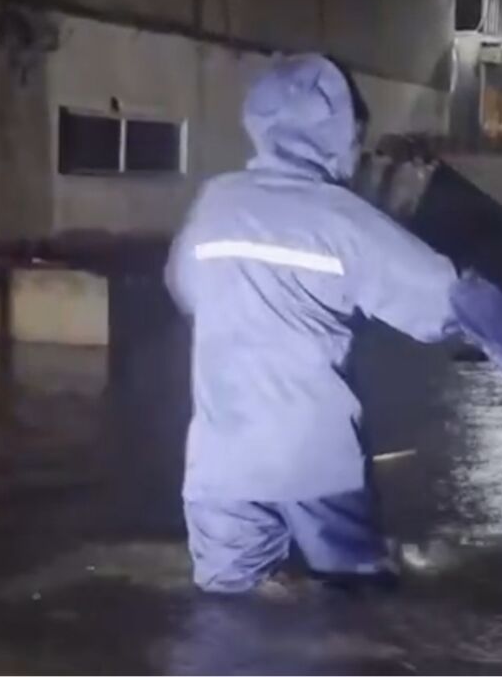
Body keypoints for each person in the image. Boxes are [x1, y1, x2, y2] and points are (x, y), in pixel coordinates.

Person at [165, 54, 462, 594]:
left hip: (219, 467)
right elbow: (443, 305)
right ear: (336, 134)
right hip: (315, 464)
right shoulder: (341, 217)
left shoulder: (216, 202)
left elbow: (184, 286)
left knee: (231, 611)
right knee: (355, 611)